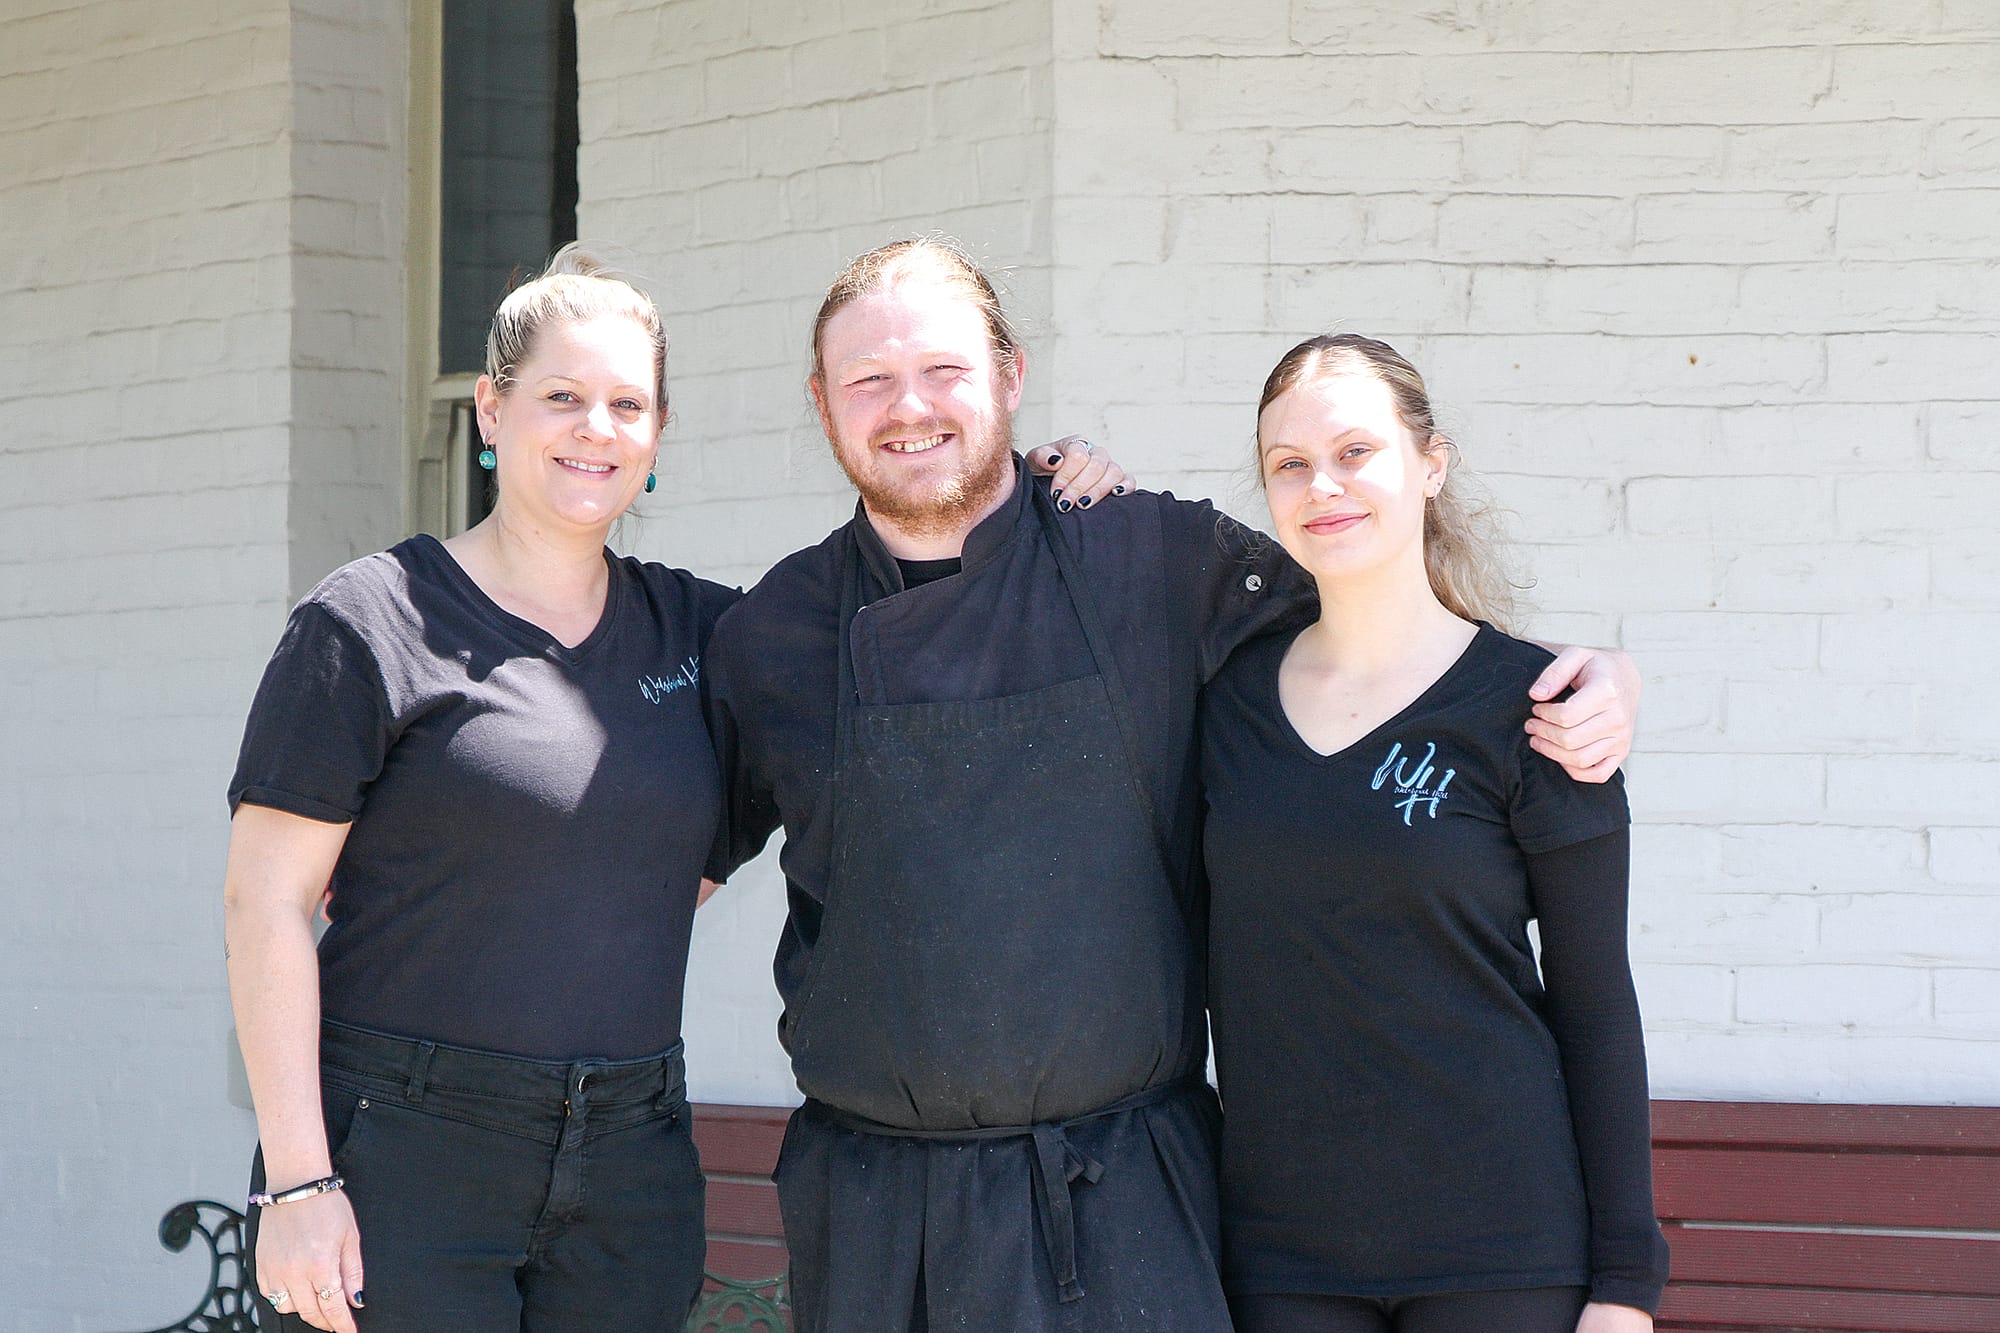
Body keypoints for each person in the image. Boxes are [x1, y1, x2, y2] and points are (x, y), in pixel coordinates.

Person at [700, 240, 1642, 1332]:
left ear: (1010, 375)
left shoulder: (1152, 557)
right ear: (822, 403)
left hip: (1126, 1196)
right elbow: (656, 867)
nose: (909, 406)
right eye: (868, 379)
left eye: (945, 369)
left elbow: (1379, 604)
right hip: (876, 1213)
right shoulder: (769, 631)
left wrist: (1588, 680)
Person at [1201, 334, 1669, 1333]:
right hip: (1280, 1256)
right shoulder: (1220, 708)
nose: (1321, 484)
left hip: (1502, 1250)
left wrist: (1624, 1287)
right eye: (1288, 464)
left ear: (1429, 463)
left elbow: (1594, 1003)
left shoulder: (1536, 706)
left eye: (1354, 450)